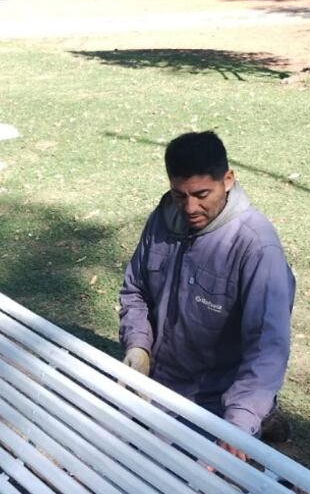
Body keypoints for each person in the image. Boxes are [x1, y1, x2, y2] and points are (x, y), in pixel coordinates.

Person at [119, 131, 294, 460]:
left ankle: (257, 410)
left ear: (227, 180)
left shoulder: (256, 245)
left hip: (217, 397)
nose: (190, 207)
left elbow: (268, 345)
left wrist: (238, 424)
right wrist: (138, 345)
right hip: (162, 383)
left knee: (191, 487)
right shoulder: (163, 220)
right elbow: (134, 289)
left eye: (201, 194)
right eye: (179, 195)